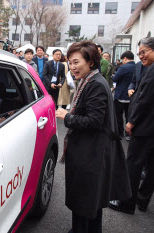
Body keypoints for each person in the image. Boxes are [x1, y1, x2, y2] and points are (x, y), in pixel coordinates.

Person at [56, 40, 131, 233]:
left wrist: (68, 116)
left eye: (76, 62)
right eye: (70, 63)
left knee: (84, 201)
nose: (72, 67)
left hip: (91, 155)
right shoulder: (91, 80)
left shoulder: (95, 84)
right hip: (90, 152)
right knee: (90, 203)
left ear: (90, 62)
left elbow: (93, 122)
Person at [109, 37, 154, 215]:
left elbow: (144, 99)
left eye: (144, 52)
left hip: (144, 126)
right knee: (151, 166)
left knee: (134, 164)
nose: (140, 56)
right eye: (139, 53)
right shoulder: (147, 69)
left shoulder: (151, 71)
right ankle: (142, 201)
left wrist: (131, 121)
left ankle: (127, 203)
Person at [111, 51, 135, 141]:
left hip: (121, 95)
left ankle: (120, 133)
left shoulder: (123, 67)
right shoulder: (138, 66)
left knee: (118, 116)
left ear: (125, 58)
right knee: (129, 116)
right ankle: (128, 134)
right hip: (132, 95)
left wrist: (112, 77)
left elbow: (115, 78)